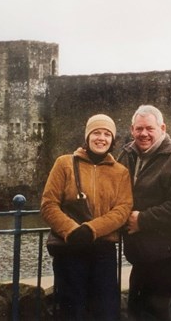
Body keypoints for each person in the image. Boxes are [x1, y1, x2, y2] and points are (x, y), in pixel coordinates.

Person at [40, 114, 133, 321]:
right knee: (71, 311)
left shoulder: (121, 173)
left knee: (106, 311)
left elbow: (122, 209)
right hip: (70, 248)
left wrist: (91, 229)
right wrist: (72, 230)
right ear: (87, 136)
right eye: (96, 133)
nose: (101, 138)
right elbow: (49, 204)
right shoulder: (64, 163)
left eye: (107, 134)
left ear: (113, 140)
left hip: (103, 251)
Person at [117, 105, 171, 320]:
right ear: (132, 129)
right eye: (139, 128)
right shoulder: (127, 154)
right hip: (141, 257)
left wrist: (143, 220)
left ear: (162, 128)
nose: (144, 134)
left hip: (169, 260)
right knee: (137, 311)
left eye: (150, 129)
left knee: (164, 313)